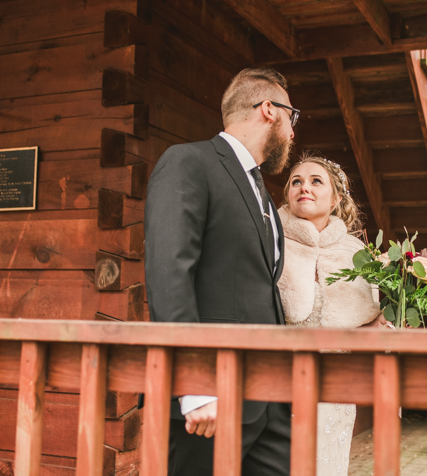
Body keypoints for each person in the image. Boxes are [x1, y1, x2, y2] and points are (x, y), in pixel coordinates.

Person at [144, 68, 297, 475]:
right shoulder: (188, 162)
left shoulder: (262, 192)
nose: (293, 131)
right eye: (292, 117)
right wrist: (194, 385)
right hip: (210, 399)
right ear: (269, 110)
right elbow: (169, 272)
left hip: (271, 403)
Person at [277, 154, 388, 476]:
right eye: (296, 181)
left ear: (337, 198)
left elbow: (369, 322)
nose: (304, 188)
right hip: (276, 382)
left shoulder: (357, 253)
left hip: (335, 388)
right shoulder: (269, 243)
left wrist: (382, 324)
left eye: (315, 181)